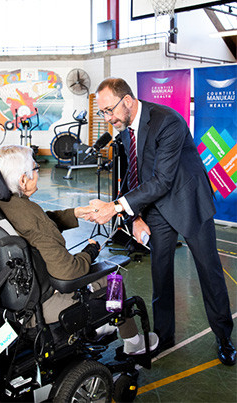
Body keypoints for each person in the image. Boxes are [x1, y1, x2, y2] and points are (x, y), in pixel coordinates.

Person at [86, 77, 236, 366]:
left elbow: (163, 180)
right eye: (103, 113)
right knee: (160, 274)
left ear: (127, 101)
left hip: (187, 200)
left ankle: (223, 336)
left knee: (210, 273)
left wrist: (116, 208)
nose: (108, 117)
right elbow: (133, 176)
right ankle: (163, 336)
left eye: (109, 110)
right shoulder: (126, 130)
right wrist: (136, 217)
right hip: (156, 206)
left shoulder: (168, 121)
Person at [0, 144, 158, 355]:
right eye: (35, 168)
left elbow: (41, 224)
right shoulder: (30, 214)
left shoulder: (2, 203)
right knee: (114, 279)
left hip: (13, 297)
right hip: (45, 304)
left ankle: (101, 327)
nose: (38, 172)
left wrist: (76, 213)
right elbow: (69, 272)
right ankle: (133, 341)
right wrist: (90, 251)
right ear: (22, 180)